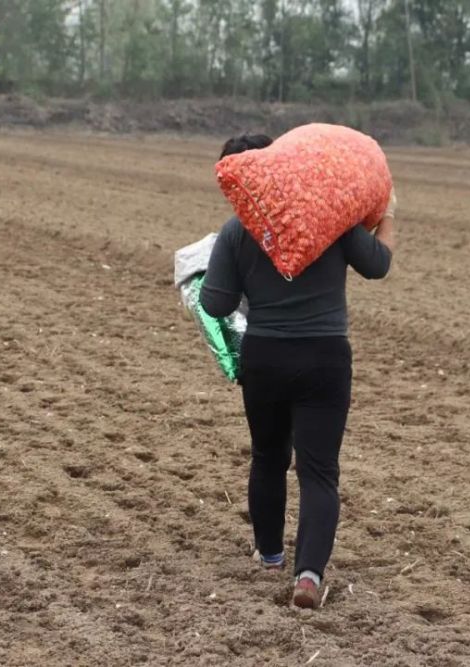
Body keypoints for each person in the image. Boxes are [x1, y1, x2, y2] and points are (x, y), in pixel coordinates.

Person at [201, 133, 396, 609]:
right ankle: (308, 575)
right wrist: (388, 215)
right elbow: (378, 265)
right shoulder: (331, 219)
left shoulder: (236, 232)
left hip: (265, 358)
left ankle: (269, 554)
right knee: (319, 472)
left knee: (268, 457)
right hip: (326, 357)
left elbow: (215, 302)